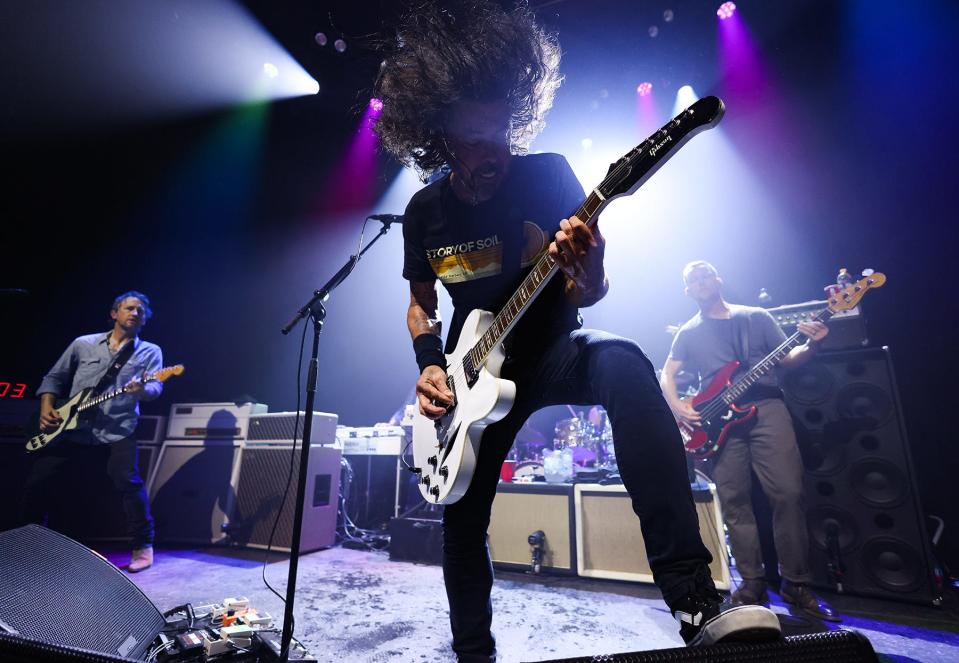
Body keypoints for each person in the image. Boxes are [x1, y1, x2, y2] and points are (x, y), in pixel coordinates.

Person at [373, 3, 781, 659]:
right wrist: (427, 362)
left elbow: (587, 291)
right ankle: (472, 650)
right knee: (461, 518)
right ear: (440, 137)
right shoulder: (424, 213)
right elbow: (420, 303)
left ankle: (692, 599)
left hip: (552, 350)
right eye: (476, 140)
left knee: (622, 360)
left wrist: (585, 262)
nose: (495, 153)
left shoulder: (548, 175)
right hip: (470, 378)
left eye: (501, 133)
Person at [660, 261, 839, 622]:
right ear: (687, 291)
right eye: (692, 280)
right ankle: (752, 584)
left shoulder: (755, 317)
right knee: (735, 501)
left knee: (788, 493)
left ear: (718, 280)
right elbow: (668, 373)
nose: (699, 282)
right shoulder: (689, 332)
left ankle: (796, 585)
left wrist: (814, 346)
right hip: (716, 421)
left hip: (767, 406)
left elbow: (788, 358)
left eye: (705, 275)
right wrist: (679, 407)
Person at [20, 291, 163, 573]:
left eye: (141, 311)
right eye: (130, 308)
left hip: (119, 428)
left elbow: (156, 389)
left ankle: (143, 547)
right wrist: (48, 408)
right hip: (71, 427)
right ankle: (27, 544)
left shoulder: (150, 352)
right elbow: (54, 378)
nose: (135, 313)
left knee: (128, 481)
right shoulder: (83, 344)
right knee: (39, 481)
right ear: (114, 313)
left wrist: (142, 389)